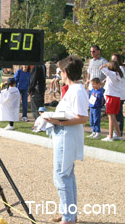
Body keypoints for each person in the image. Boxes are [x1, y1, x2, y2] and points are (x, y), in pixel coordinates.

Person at [44, 56, 88, 224]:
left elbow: (82, 117)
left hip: (67, 135)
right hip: (63, 134)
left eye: (61, 71)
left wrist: (56, 120)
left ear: (67, 72)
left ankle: (69, 218)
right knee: (67, 175)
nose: (59, 74)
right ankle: (69, 213)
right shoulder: (73, 89)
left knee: (62, 175)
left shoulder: (77, 90)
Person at [100, 61, 124, 141]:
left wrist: (105, 65)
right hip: (117, 97)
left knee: (111, 116)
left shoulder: (111, 74)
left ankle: (110, 136)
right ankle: (119, 134)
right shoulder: (118, 74)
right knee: (113, 117)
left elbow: (101, 68)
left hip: (111, 97)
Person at [111, 53, 125, 138]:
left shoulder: (120, 69)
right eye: (112, 60)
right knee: (115, 113)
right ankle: (117, 131)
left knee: (118, 113)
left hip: (119, 94)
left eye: (115, 60)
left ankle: (119, 131)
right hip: (116, 94)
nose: (113, 61)